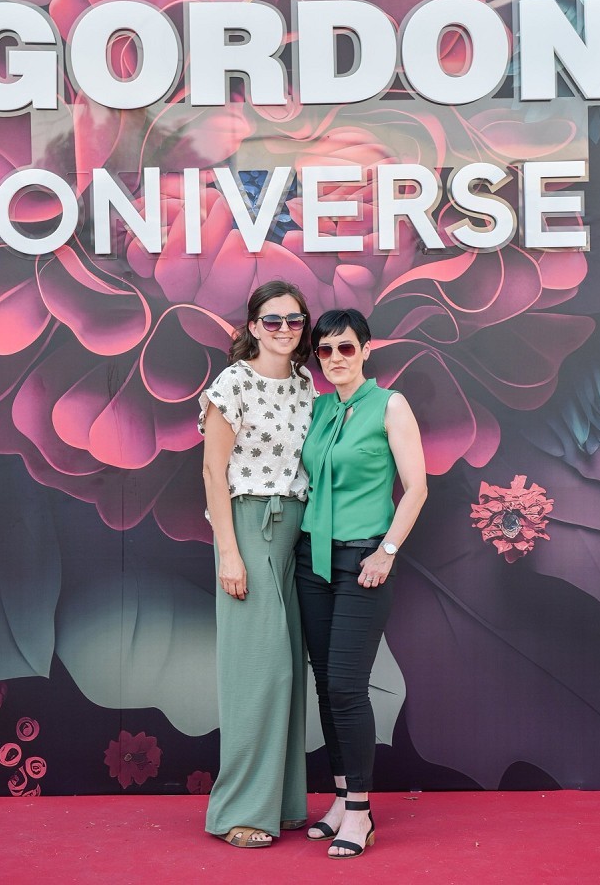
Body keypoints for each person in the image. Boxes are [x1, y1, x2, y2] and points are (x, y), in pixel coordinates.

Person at [295, 308, 427, 860]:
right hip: (311, 560)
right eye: (324, 350)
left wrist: (386, 552)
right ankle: (342, 799)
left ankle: (360, 813)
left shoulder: (390, 404)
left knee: (348, 686)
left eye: (345, 347)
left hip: (364, 560)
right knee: (327, 686)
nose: (334, 359)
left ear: (366, 349)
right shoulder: (317, 407)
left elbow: (416, 488)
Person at [199, 280, 316, 848]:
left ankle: (283, 802)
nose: (284, 329)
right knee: (258, 672)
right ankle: (238, 812)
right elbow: (211, 471)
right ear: (253, 327)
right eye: (272, 320)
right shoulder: (232, 383)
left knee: (289, 669)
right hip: (249, 527)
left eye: (294, 320)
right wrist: (229, 552)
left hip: (296, 531)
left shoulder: (305, 383)